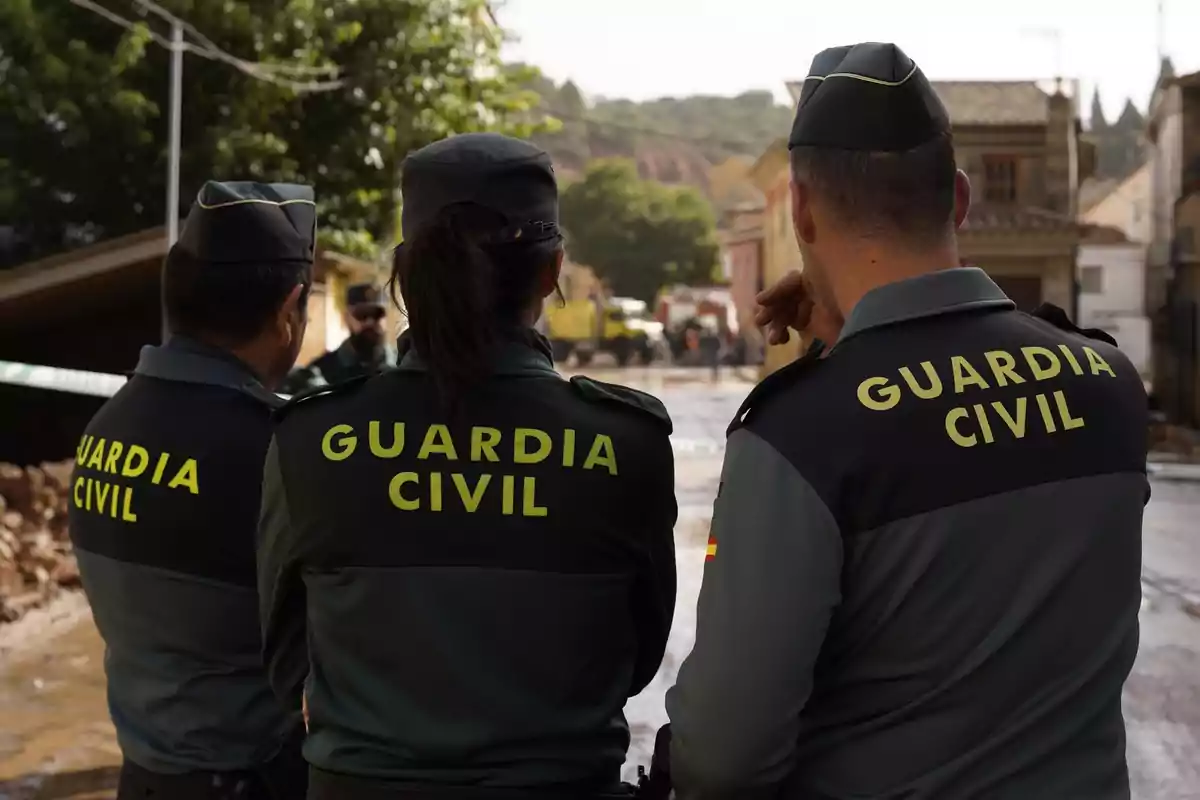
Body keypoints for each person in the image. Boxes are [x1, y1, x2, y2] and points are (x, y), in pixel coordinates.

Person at [664, 42, 1148, 800]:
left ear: (799, 209)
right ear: (958, 199)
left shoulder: (801, 436)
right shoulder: (1110, 384)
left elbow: (722, 758)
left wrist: (848, 364)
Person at [257, 132, 678, 800]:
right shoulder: (627, 443)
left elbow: (287, 666)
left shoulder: (314, 438)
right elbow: (638, 659)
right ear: (551, 270)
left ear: (405, 276)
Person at [67, 181, 316, 799]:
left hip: (145, 775)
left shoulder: (108, 426)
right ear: (289, 310)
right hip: (250, 780)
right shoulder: (274, 449)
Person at [282, 282, 396, 393]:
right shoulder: (323, 370)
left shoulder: (401, 365)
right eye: (362, 314)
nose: (370, 322)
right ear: (347, 318)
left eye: (377, 315)